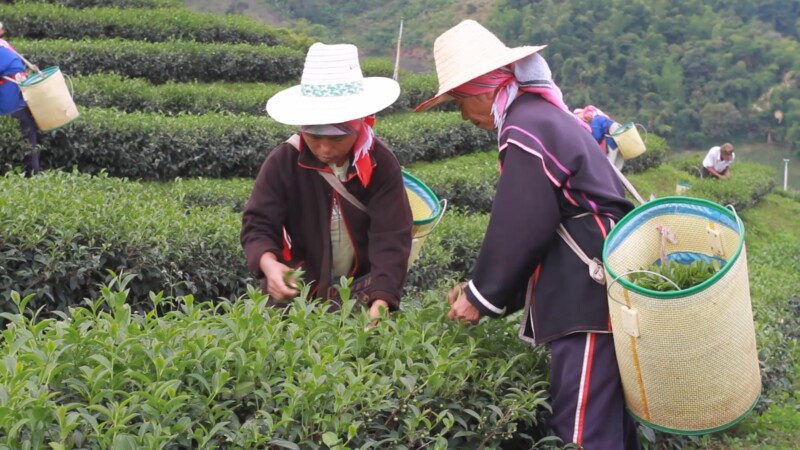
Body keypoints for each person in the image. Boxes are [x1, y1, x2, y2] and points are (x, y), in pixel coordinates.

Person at [415, 20, 641, 449]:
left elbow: (522, 221)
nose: (464, 115)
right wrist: (480, 287)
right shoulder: (541, 116)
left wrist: (479, 297)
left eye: (461, 102)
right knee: (608, 420)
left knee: (582, 430)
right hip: (598, 281)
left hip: (589, 291)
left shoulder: (524, 126)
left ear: (482, 90)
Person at [240, 43, 413, 321]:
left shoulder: (380, 162)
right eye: (314, 137)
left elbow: (391, 235)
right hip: (297, 291)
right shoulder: (285, 160)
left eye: (336, 138)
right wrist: (269, 264)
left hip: (361, 292)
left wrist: (382, 300)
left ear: (360, 124)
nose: (324, 149)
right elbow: (258, 224)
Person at [0, 24, 40, 176]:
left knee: (27, 151)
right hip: (20, 103)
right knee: (29, 147)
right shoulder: (5, 46)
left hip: (11, 106)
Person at [574, 105, 625, 170]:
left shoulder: (595, 121)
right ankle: (618, 178)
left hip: (613, 136)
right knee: (618, 163)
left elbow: (597, 137)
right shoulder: (600, 117)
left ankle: (609, 177)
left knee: (610, 163)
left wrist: (590, 146)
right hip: (619, 134)